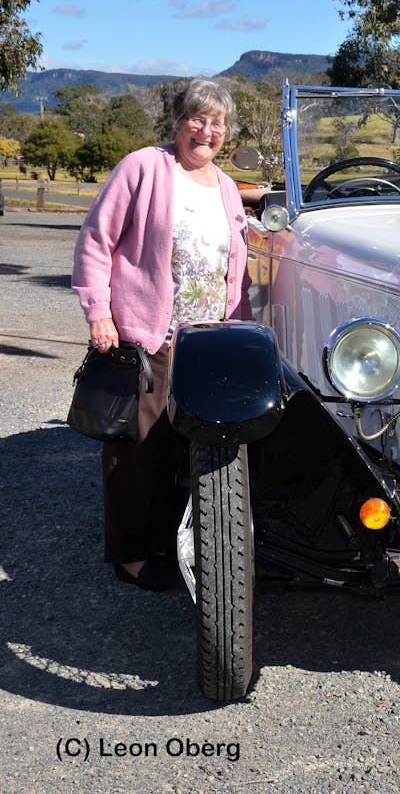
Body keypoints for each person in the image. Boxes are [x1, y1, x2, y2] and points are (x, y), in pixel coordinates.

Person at [72, 78, 252, 591]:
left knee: (184, 451)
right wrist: (99, 311)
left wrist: (240, 331)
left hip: (206, 342)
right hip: (147, 340)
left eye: (217, 123)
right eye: (198, 118)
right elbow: (96, 240)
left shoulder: (224, 186)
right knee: (136, 449)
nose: (207, 130)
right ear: (177, 120)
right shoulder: (145, 167)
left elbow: (233, 270)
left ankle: (168, 546)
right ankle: (129, 554)